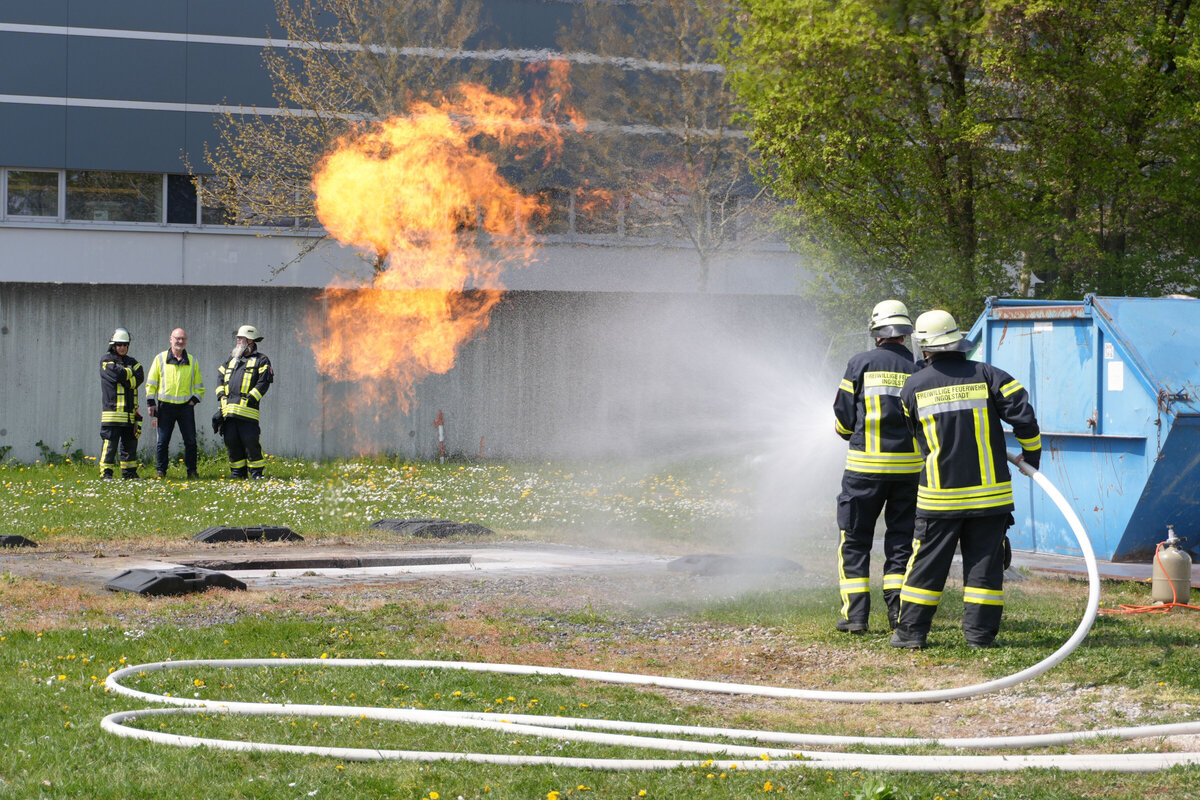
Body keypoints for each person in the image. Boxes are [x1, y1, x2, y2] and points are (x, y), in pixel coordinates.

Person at [891, 309, 1041, 649]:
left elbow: (916, 437)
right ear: (959, 341)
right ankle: (979, 637)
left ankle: (910, 635)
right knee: (984, 568)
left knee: (926, 566)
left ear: (924, 346)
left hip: (938, 498)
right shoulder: (991, 375)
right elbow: (1024, 417)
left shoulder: (912, 387)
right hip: (990, 498)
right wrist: (1030, 457)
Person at [832, 300, 922, 634]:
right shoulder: (920, 370)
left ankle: (855, 617)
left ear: (876, 332)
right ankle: (898, 615)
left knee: (855, 540)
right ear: (906, 332)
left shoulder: (860, 363)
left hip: (863, 472)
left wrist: (847, 432)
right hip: (909, 474)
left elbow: (843, 416)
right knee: (901, 542)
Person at [145, 328, 205, 479]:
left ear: (186, 341)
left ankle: (192, 471)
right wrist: (151, 402)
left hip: (185, 407)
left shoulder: (192, 360)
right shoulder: (160, 359)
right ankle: (161, 471)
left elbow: (200, 386)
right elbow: (151, 383)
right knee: (162, 442)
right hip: (165, 407)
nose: (180, 341)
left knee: (191, 441)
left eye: (183, 339)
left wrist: (194, 400)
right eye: (177, 338)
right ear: (170, 339)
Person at [215, 324, 273, 479]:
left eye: (241, 338)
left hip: (248, 413)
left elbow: (263, 383)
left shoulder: (261, 360)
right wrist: (221, 397)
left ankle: (256, 473)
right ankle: (237, 473)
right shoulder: (231, 359)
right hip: (229, 412)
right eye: (238, 338)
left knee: (250, 442)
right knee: (231, 442)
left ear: (250, 341)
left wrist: (250, 399)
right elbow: (220, 378)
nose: (238, 341)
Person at [99, 327, 144, 480]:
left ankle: (130, 473)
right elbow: (117, 374)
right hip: (112, 413)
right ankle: (106, 473)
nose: (122, 348)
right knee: (110, 444)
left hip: (130, 414)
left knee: (130, 445)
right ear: (113, 345)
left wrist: (126, 376)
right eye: (119, 345)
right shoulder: (106, 360)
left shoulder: (133, 362)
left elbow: (140, 375)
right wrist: (128, 373)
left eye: (125, 345)